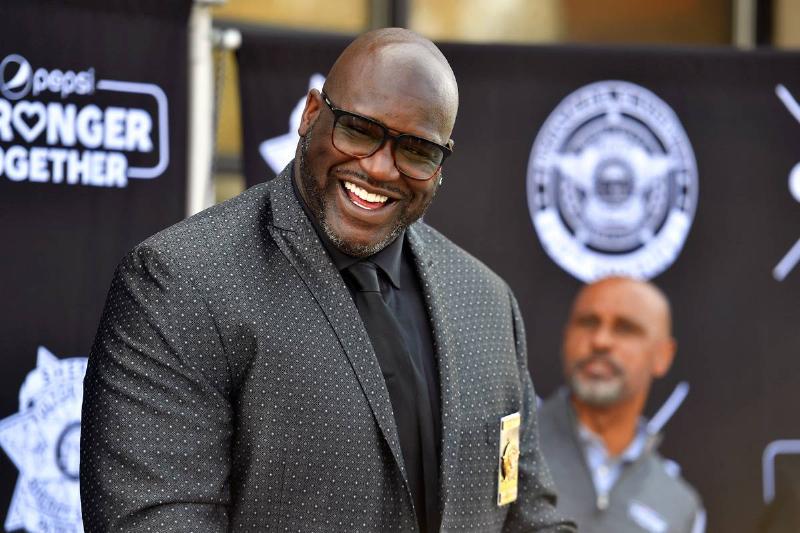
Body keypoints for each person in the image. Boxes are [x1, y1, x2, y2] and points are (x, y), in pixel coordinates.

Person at [80, 28, 575, 532]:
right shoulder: (182, 282)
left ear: (441, 162)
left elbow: (527, 516)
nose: (381, 169)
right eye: (359, 129)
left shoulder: (486, 302)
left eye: (417, 150)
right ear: (311, 114)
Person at [538, 276, 704, 533]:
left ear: (664, 355)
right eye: (587, 323)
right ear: (566, 336)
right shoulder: (512, 448)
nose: (601, 341)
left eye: (626, 328)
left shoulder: (680, 506)